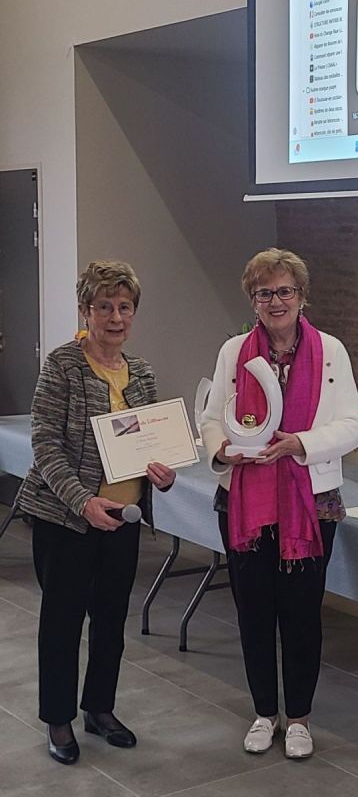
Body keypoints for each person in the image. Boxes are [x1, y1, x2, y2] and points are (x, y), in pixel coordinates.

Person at [201, 248, 358, 761]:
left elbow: (353, 425)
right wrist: (222, 450)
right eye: (264, 293)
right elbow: (211, 417)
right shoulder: (234, 352)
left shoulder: (330, 351)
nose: (276, 301)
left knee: (301, 615)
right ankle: (262, 714)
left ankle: (298, 719)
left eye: (285, 291)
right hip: (245, 502)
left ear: (302, 296)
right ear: (253, 300)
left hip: (310, 503)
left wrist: (301, 444)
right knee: (252, 612)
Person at [16, 261, 176, 765]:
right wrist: (82, 501)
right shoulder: (63, 365)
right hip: (67, 520)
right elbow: (45, 444)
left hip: (122, 520)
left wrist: (163, 474)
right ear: (86, 310)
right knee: (61, 623)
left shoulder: (142, 373)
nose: (115, 317)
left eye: (124, 307)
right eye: (104, 306)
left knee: (110, 620)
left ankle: (99, 708)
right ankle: (58, 718)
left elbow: (151, 445)